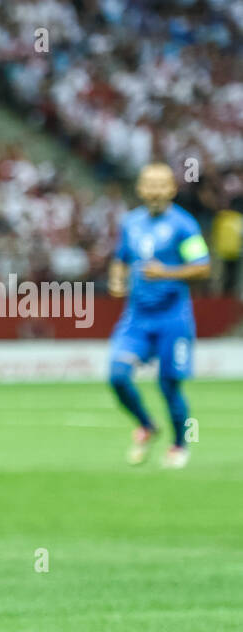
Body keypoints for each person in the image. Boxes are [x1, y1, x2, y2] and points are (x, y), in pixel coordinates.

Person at [108, 163, 211, 468]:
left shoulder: (185, 225)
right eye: (148, 184)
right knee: (117, 376)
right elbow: (121, 259)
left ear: (172, 189)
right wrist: (117, 278)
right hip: (136, 318)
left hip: (173, 318)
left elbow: (203, 266)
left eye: (160, 184)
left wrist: (167, 271)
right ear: (140, 189)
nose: (154, 190)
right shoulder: (131, 223)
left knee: (168, 385)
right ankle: (146, 424)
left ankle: (180, 445)